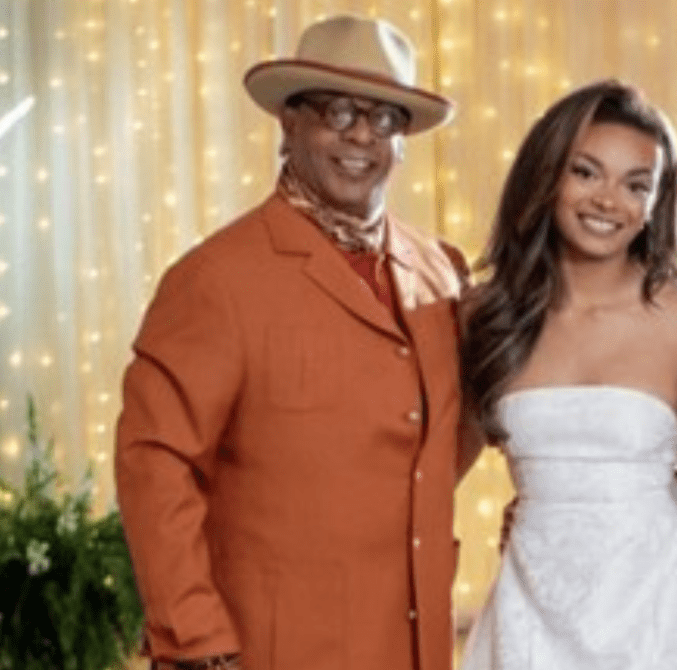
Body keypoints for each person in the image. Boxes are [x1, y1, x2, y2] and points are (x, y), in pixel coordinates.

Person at [115, 15, 468, 670]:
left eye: (385, 118)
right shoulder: (215, 278)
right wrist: (194, 639)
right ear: (289, 123)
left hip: (413, 645)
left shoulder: (441, 271)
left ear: (404, 140)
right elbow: (155, 463)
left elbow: (444, 443)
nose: (361, 134)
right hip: (267, 649)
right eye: (338, 112)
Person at [456, 80, 677, 669]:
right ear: (546, 175)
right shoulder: (484, 314)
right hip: (533, 602)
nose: (609, 200)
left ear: (657, 202)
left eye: (636, 185)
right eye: (586, 173)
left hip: (660, 601)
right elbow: (434, 470)